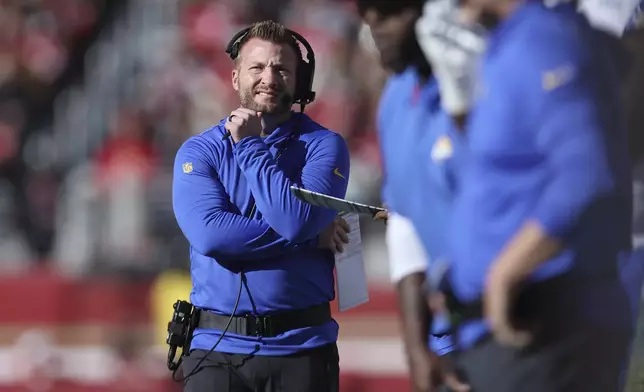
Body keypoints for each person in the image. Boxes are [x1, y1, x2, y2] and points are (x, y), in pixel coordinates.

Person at [428, 0, 635, 390]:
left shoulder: (545, 42)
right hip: (499, 336)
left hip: (546, 327)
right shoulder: (508, 46)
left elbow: (586, 173)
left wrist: (508, 271)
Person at [172, 20, 351, 392]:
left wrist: (250, 147)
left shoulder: (324, 146)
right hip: (216, 351)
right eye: (256, 67)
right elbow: (212, 236)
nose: (269, 77)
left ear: (299, 81)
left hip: (303, 350)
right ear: (235, 78)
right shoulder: (200, 151)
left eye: (282, 68)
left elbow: (297, 221)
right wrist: (309, 236)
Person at [357, 1, 484, 391]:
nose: (376, 26)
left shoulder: (487, 83)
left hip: (515, 320)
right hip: (450, 334)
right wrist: (416, 348)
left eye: (391, 12)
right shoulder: (395, 99)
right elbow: (405, 224)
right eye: (368, 13)